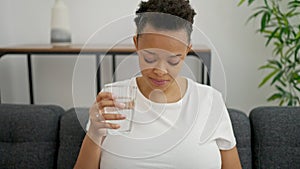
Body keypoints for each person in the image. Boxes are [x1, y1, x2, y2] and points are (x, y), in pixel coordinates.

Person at [74, 0, 242, 168]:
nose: (160, 70)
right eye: (150, 58)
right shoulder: (113, 98)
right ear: (136, 44)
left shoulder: (210, 100)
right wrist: (94, 134)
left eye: (173, 60)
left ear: (187, 51)